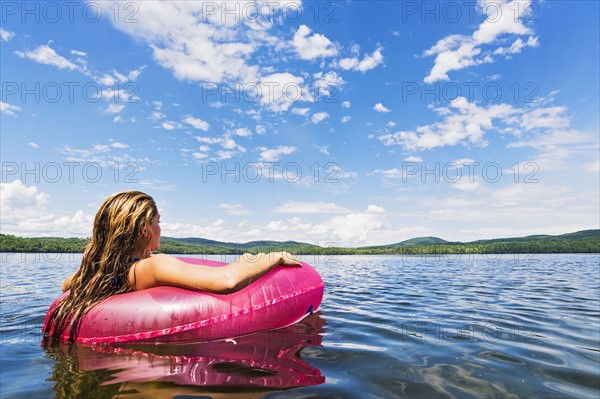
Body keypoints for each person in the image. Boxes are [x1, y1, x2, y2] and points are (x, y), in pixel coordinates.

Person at [45, 190, 301, 342]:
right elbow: (226, 281)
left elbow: (66, 284)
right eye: (158, 221)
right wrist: (271, 257)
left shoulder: (98, 273)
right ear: (145, 228)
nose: (160, 228)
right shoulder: (153, 266)